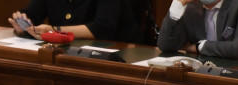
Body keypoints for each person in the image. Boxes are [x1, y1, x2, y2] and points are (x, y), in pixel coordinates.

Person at [157, 0, 238, 59]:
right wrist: (177, 4)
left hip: (237, 74)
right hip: (200, 73)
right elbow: (166, 46)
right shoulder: (191, 8)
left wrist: (200, 47)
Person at [9, 0, 140, 42]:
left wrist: (54, 31)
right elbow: (32, 14)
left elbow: (102, 28)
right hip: (65, 54)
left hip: (113, 55)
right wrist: (22, 24)